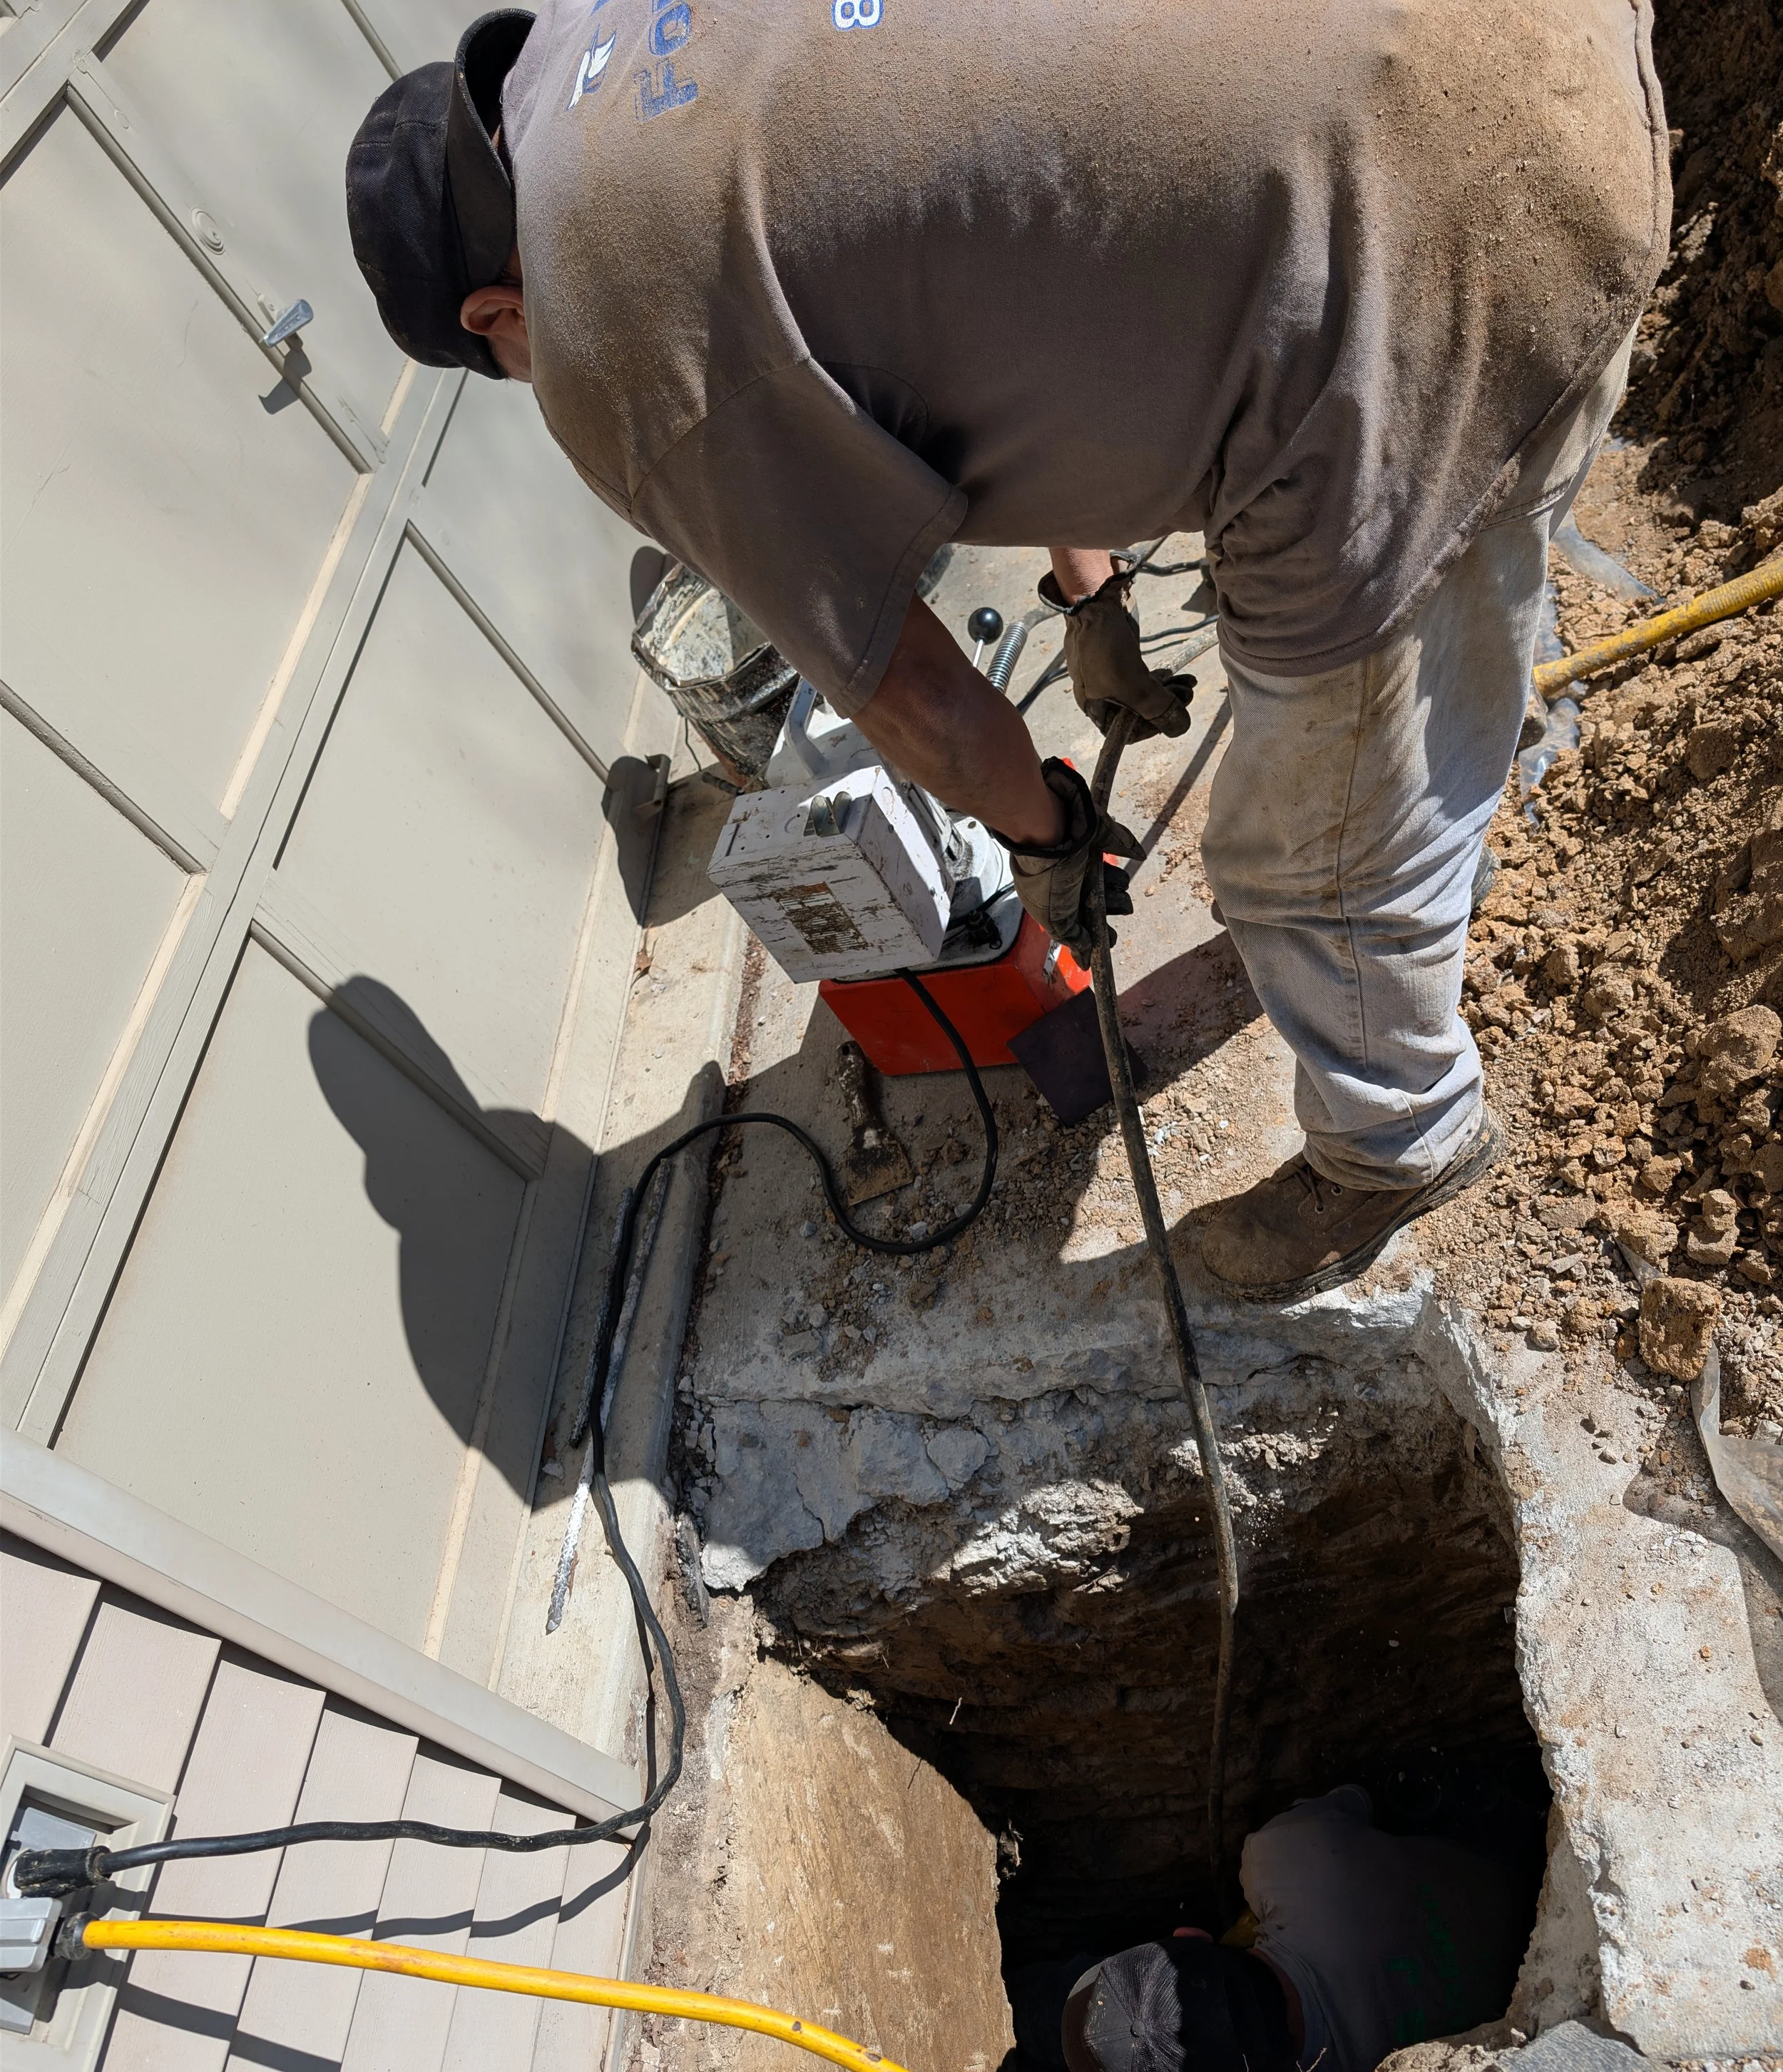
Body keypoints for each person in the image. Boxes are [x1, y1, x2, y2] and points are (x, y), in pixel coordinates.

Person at [345, 4, 1667, 1303]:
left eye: (509, 361)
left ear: (489, 311)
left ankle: (1400, 1143)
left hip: (1433, 242)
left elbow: (917, 695)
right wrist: (1090, 606)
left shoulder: (605, 319)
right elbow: (1014, 235)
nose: (535, 372)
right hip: (1528, 48)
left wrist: (1044, 844)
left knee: (1289, 853)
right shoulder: (627, 39)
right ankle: (1437, 815)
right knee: (1460, 569)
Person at [1011, 1785, 1529, 2072]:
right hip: (1515, 1866)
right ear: (1191, 1936)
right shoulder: (1287, 1857)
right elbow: (1361, 1798)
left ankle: (1017, 2005)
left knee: (1058, 2005)